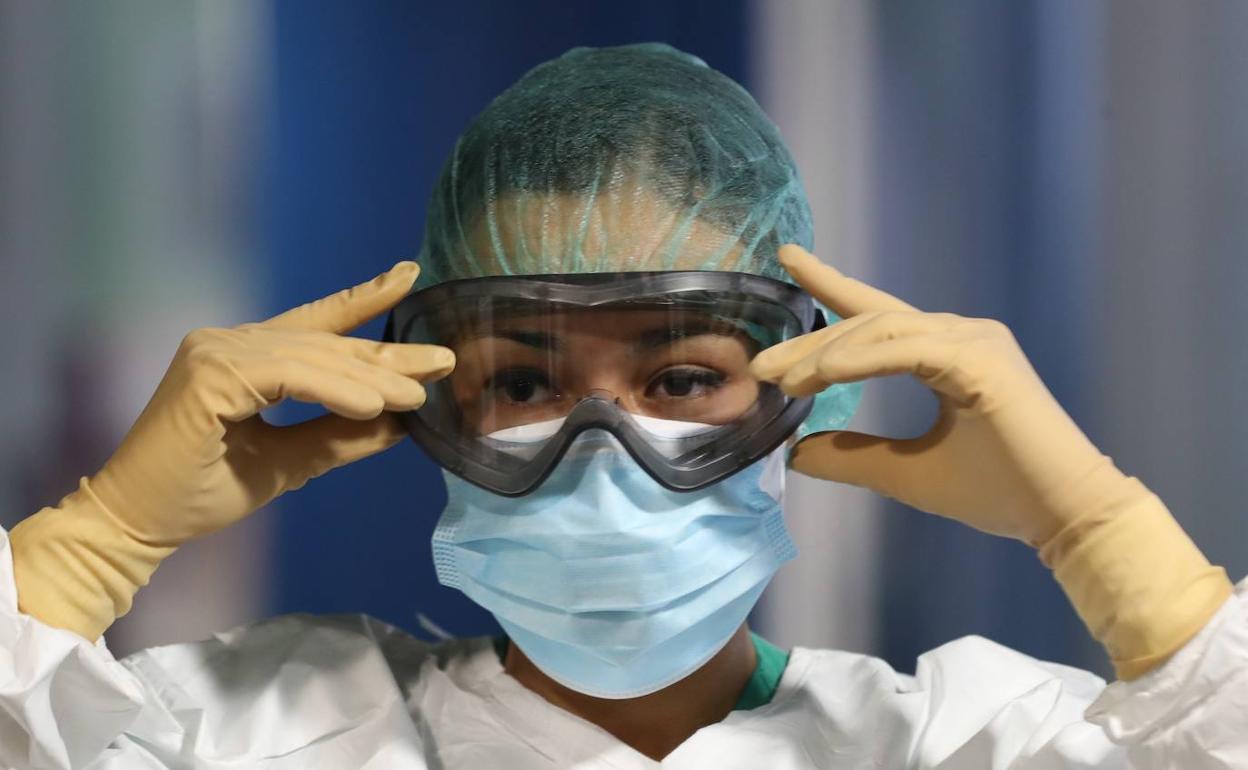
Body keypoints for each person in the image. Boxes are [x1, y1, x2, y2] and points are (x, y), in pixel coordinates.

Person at [1, 43, 1244, 770]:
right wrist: (93, 542)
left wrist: (1099, 531)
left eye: (683, 377)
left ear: (806, 394)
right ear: (428, 407)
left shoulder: (968, 744)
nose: (604, 453)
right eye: (523, 382)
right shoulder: (249, 732)